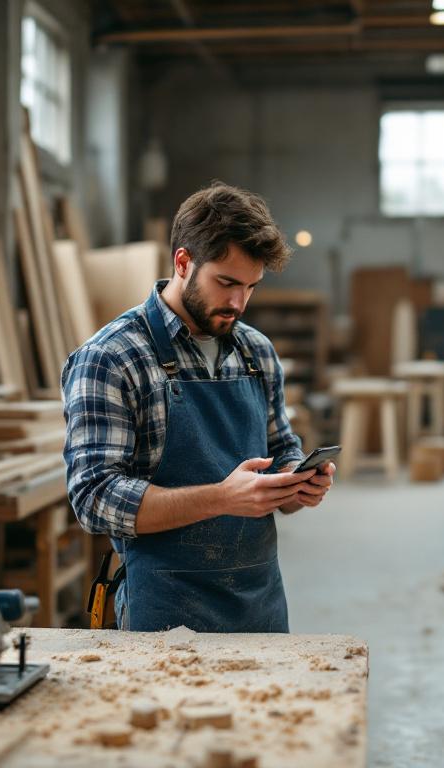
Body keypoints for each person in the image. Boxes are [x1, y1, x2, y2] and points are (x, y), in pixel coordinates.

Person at [62, 182, 334, 633]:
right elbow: (94, 498)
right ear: (183, 263)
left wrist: (295, 483)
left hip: (259, 600)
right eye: (226, 283)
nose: (238, 303)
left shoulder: (257, 352)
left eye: (250, 287)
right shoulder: (112, 357)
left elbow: (281, 445)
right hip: (165, 606)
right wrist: (222, 498)